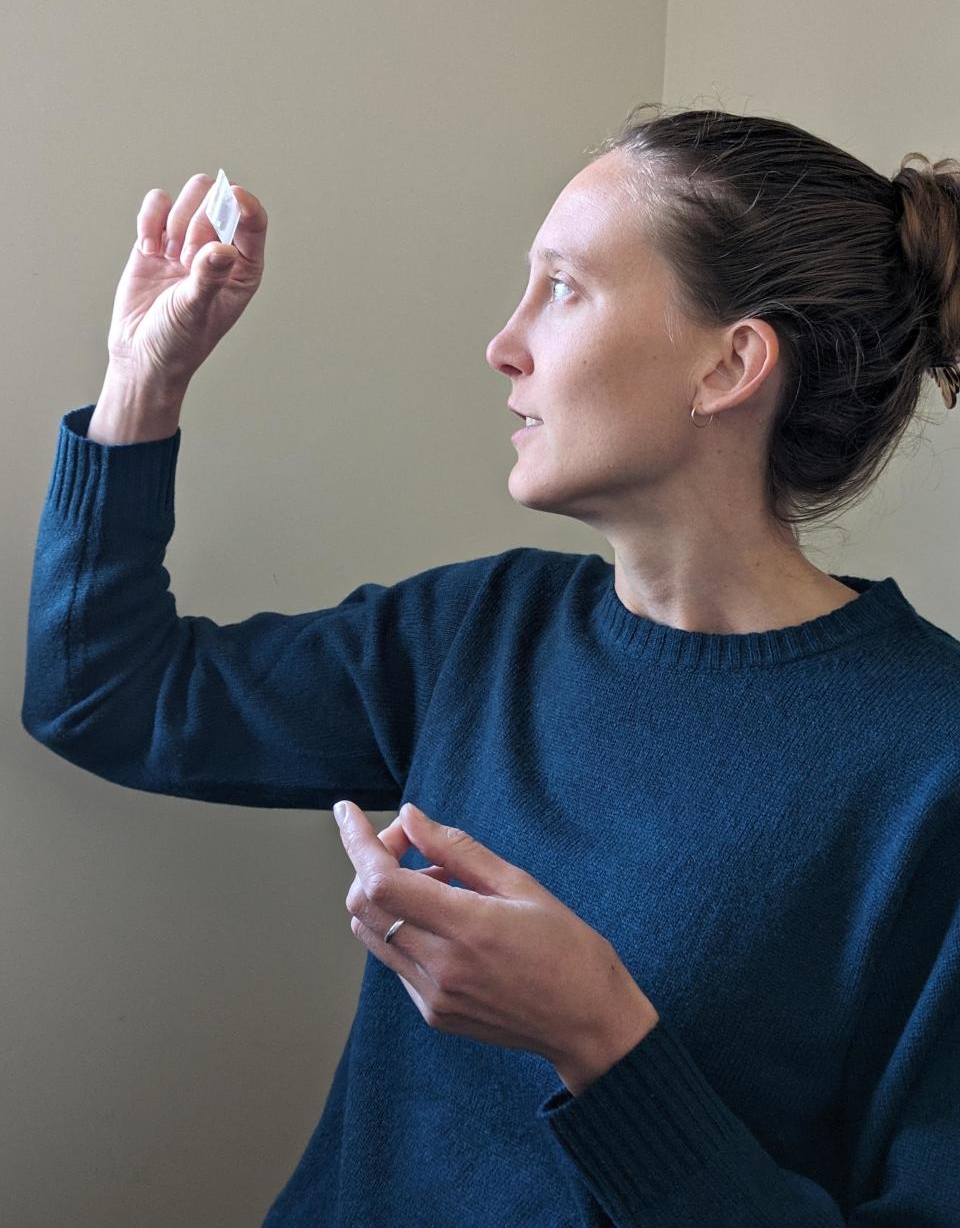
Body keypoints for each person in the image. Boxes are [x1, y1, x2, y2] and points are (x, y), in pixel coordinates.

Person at [21, 103, 960, 1226]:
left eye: (563, 288)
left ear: (730, 365)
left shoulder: (930, 759)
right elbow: (102, 694)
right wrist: (142, 381)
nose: (503, 342)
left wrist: (600, 1040)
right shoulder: (482, 630)